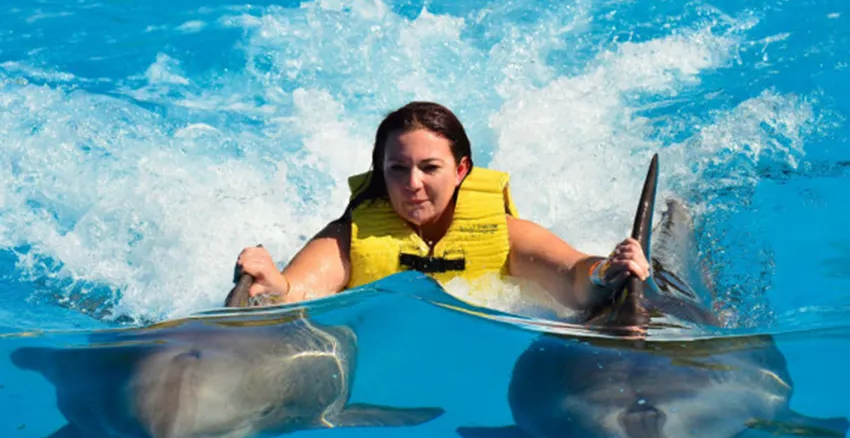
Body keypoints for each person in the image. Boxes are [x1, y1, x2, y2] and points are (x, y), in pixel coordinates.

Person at [235, 101, 650, 311]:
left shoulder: (499, 232)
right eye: (397, 168)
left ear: (461, 170)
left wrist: (604, 271)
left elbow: (571, 277)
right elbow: (300, 290)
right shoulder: (353, 235)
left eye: (429, 167)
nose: (412, 183)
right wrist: (274, 286)